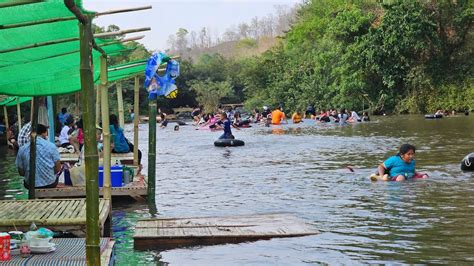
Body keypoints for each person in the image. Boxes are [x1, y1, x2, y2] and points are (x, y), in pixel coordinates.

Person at [16, 124, 61, 189]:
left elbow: (21, 173)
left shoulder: (22, 149)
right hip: (49, 183)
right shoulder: (51, 146)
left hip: (30, 185)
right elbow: (58, 168)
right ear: (45, 133)